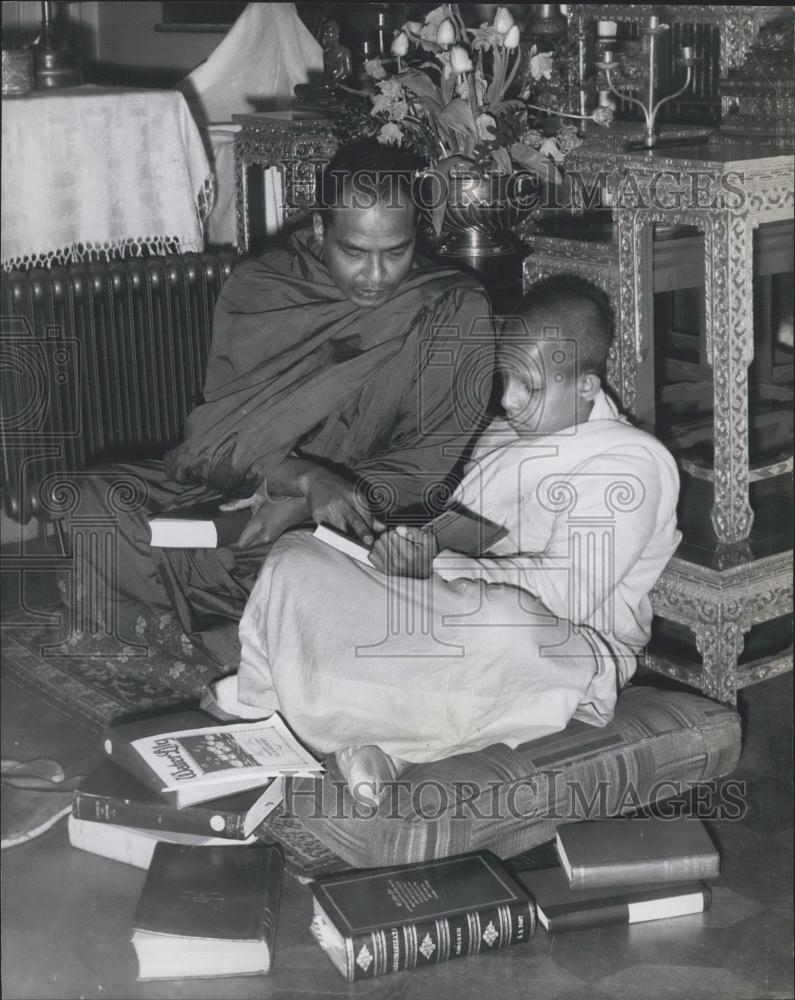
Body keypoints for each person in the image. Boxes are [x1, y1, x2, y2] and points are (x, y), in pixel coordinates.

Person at [219, 275, 682, 800]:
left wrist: (437, 566)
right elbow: (454, 530)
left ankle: (374, 740)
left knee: (498, 625)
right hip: (446, 600)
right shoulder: (505, 434)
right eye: (503, 378)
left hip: (563, 645)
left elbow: (568, 595)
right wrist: (394, 547)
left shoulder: (633, 465)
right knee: (298, 557)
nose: (506, 399)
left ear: (585, 387)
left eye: (527, 385)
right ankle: (348, 720)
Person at [62, 140, 493, 667]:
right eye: (354, 252)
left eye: (396, 252)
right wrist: (295, 479)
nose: (377, 276)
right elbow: (212, 440)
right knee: (92, 500)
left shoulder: (451, 306)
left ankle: (209, 637)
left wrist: (305, 501)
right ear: (319, 230)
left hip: (358, 518)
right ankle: (240, 642)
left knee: (325, 574)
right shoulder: (264, 284)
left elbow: (425, 465)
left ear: (416, 234)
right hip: (239, 489)